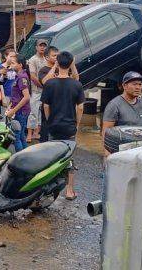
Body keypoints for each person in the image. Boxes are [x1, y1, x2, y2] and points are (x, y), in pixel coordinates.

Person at [41, 51, 85, 200]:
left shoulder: (49, 83)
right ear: (71, 63)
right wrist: (77, 123)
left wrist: (49, 120)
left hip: (53, 125)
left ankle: (48, 187)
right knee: (69, 157)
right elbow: (80, 108)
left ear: (57, 63)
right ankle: (69, 190)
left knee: (52, 156)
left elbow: (45, 106)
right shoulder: (76, 84)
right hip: (69, 126)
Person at [6, 55, 31, 151]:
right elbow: (17, 96)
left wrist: (13, 111)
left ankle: (20, 159)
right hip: (19, 109)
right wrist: (10, 107)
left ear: (20, 65)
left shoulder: (21, 77)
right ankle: (25, 155)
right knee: (21, 135)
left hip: (21, 111)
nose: (11, 65)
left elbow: (26, 97)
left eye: (13, 63)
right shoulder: (19, 76)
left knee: (16, 136)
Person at [27, 39, 48, 143]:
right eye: (40, 45)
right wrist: (42, 86)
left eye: (44, 46)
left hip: (44, 90)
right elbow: (33, 77)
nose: (42, 47)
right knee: (33, 112)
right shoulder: (33, 59)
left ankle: (37, 132)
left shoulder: (46, 60)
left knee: (41, 112)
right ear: (36, 47)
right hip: (35, 90)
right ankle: (29, 134)